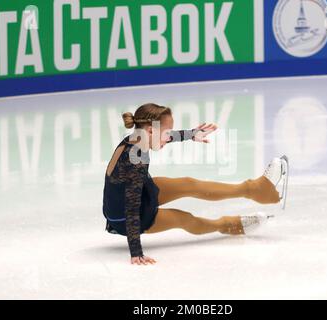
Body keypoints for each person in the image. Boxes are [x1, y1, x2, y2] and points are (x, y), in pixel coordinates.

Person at [103, 103, 288, 265]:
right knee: (184, 219)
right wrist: (136, 252)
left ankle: (257, 189)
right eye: (166, 133)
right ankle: (231, 224)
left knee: (188, 183)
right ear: (151, 130)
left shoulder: (138, 138)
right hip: (126, 218)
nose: (168, 137)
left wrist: (191, 134)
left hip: (138, 193)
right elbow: (131, 206)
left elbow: (166, 136)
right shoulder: (136, 159)